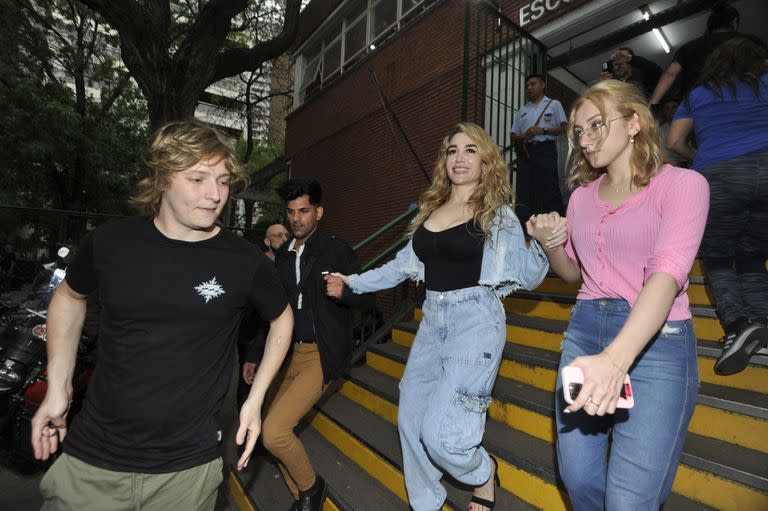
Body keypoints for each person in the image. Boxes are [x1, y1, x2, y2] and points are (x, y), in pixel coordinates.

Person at [30, 120, 294, 511]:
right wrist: (58, 384)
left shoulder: (244, 260)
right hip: (93, 462)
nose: (214, 195)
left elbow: (282, 318)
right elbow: (69, 297)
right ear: (163, 178)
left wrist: (255, 402)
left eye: (222, 181)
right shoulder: (110, 243)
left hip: (186, 473)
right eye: (198, 179)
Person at [327, 123, 553, 511]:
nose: (459, 158)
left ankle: (483, 473)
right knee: (411, 425)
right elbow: (401, 266)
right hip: (433, 320)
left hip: (476, 322)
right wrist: (354, 283)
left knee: (441, 436)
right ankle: (426, 504)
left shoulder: (498, 215)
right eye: (452, 151)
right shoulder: (431, 210)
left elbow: (530, 277)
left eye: (469, 150)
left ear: (486, 160)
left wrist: (546, 241)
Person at [527, 80, 709, 510]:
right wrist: (551, 242)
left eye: (595, 125)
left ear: (632, 123)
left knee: (629, 501)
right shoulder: (580, 199)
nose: (585, 140)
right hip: (586, 332)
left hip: (658, 343)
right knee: (579, 478)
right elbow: (573, 274)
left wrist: (614, 361)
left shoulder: (683, 186)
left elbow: (665, 278)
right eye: (578, 131)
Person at [262, 179, 374, 511]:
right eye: (292, 212)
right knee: (269, 433)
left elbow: (369, 298)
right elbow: (269, 309)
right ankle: (301, 500)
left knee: (274, 432)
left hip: (319, 354)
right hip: (284, 353)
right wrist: (255, 355)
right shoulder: (282, 256)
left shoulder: (336, 250)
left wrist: (346, 292)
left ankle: (312, 488)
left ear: (319, 212)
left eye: (304, 211)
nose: (297, 218)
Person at [667, 37, 768, 375]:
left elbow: (674, 141)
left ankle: (738, 326)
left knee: (719, 257)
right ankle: (762, 322)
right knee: (754, 256)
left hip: (719, 177)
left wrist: (705, 157)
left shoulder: (698, 94)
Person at [649, 2, 766, 107]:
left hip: (703, 107)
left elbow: (670, 74)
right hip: (748, 102)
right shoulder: (751, 41)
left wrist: (652, 105)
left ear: (710, 25)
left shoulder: (689, 47)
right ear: (734, 22)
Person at [510, 73, 567, 223]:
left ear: (542, 85)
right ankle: (524, 229)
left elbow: (564, 128)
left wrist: (543, 130)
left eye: (533, 84)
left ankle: (556, 225)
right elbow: (513, 135)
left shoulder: (554, 104)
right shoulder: (522, 111)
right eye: (527, 85)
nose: (529, 88)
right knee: (524, 190)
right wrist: (524, 136)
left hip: (545, 149)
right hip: (526, 153)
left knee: (548, 187)